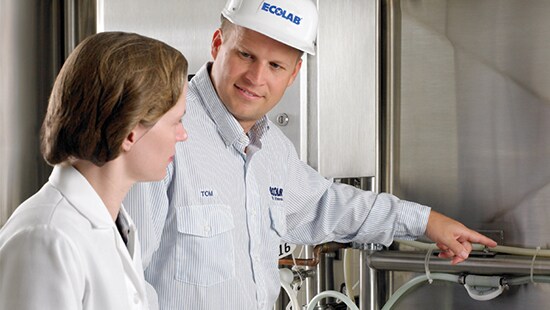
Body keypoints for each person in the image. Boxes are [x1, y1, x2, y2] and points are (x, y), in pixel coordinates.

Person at [123, 0, 497, 309]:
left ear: (294, 73)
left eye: (275, 65)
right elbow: (123, 280)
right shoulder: (165, 133)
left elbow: (330, 206)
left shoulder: (273, 151)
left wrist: (425, 221)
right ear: (218, 43)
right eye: (245, 54)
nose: (256, 77)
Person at [0, 31, 188, 309]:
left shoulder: (116, 225)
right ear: (130, 133)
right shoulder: (48, 237)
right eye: (176, 121)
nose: (182, 135)